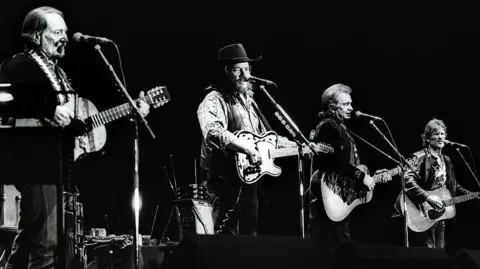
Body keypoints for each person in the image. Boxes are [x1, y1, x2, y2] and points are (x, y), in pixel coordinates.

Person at [0, 6, 150, 268]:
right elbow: (6, 101)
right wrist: (49, 109)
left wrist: (130, 110)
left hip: (54, 164)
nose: (65, 38)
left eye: (65, 32)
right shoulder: (19, 64)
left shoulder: (57, 73)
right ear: (36, 36)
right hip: (35, 164)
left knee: (28, 241)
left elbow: (74, 119)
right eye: (57, 32)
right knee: (46, 246)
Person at [197, 43, 311, 236]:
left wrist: (298, 146)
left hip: (250, 183)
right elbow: (213, 131)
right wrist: (247, 149)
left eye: (247, 69)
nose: (245, 76)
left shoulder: (250, 102)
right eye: (237, 70)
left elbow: (266, 138)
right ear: (225, 72)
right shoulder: (214, 98)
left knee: (250, 240)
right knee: (224, 241)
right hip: (224, 184)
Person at [307, 83, 391, 256]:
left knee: (340, 246)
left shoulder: (341, 127)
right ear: (331, 107)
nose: (351, 108)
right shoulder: (328, 126)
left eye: (350, 104)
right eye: (345, 104)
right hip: (332, 194)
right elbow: (334, 160)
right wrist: (361, 175)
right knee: (333, 248)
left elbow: (348, 163)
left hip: (341, 196)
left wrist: (372, 175)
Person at [398, 118, 472, 249]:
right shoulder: (419, 157)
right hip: (421, 213)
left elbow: (453, 184)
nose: (440, 137)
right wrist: (427, 197)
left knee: (440, 256)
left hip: (440, 216)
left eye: (442, 134)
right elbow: (407, 179)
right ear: (427, 138)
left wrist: (472, 194)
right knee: (428, 256)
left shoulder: (447, 160)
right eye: (436, 134)